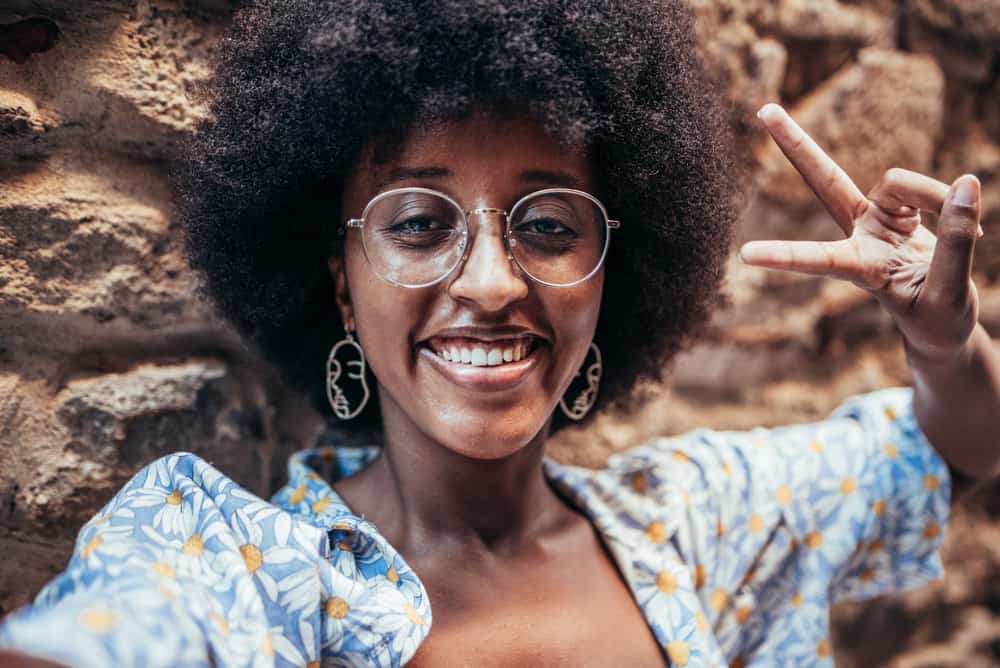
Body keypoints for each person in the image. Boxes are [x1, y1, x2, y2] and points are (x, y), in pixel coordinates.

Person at [1, 1, 997, 666]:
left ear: (617, 268)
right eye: (419, 222)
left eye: (550, 225)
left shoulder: (696, 524)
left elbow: (951, 449)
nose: (487, 282)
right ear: (340, 286)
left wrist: (944, 342)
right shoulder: (228, 563)